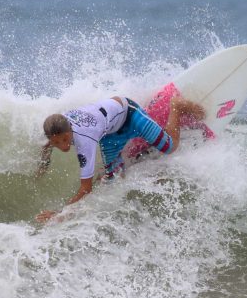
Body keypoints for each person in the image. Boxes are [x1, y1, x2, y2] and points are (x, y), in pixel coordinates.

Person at [35, 95, 205, 222]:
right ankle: (138, 150)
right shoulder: (59, 125)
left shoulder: (84, 141)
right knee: (114, 177)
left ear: (70, 130)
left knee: (170, 146)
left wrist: (60, 212)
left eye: (65, 140)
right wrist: (43, 164)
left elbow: (85, 188)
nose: (64, 146)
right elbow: (48, 144)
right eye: (57, 142)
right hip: (109, 134)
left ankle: (177, 105)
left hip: (129, 116)